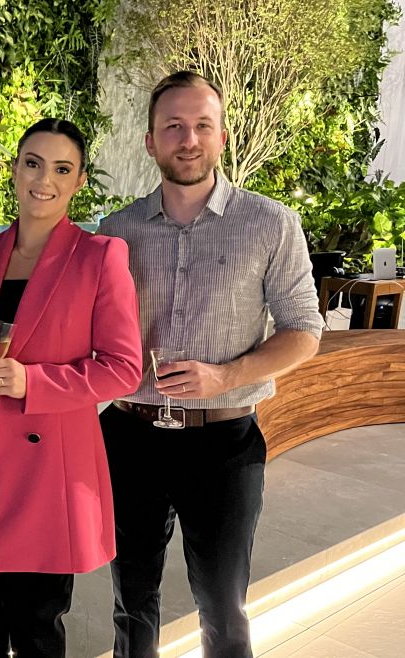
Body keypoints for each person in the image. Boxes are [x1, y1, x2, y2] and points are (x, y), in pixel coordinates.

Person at [98, 71, 323, 658]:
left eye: (201, 125)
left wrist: (223, 377)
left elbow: (305, 332)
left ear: (221, 136)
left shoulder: (271, 223)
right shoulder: (115, 232)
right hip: (129, 436)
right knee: (131, 599)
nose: (188, 138)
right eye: (173, 126)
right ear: (151, 141)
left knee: (224, 605)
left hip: (223, 442)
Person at [0, 118, 143, 658]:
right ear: (15, 169)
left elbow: (122, 369)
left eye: (62, 168)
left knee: (39, 626)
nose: (45, 179)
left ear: (79, 181)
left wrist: (31, 380)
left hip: (48, 475)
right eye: (33, 163)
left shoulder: (99, 256)